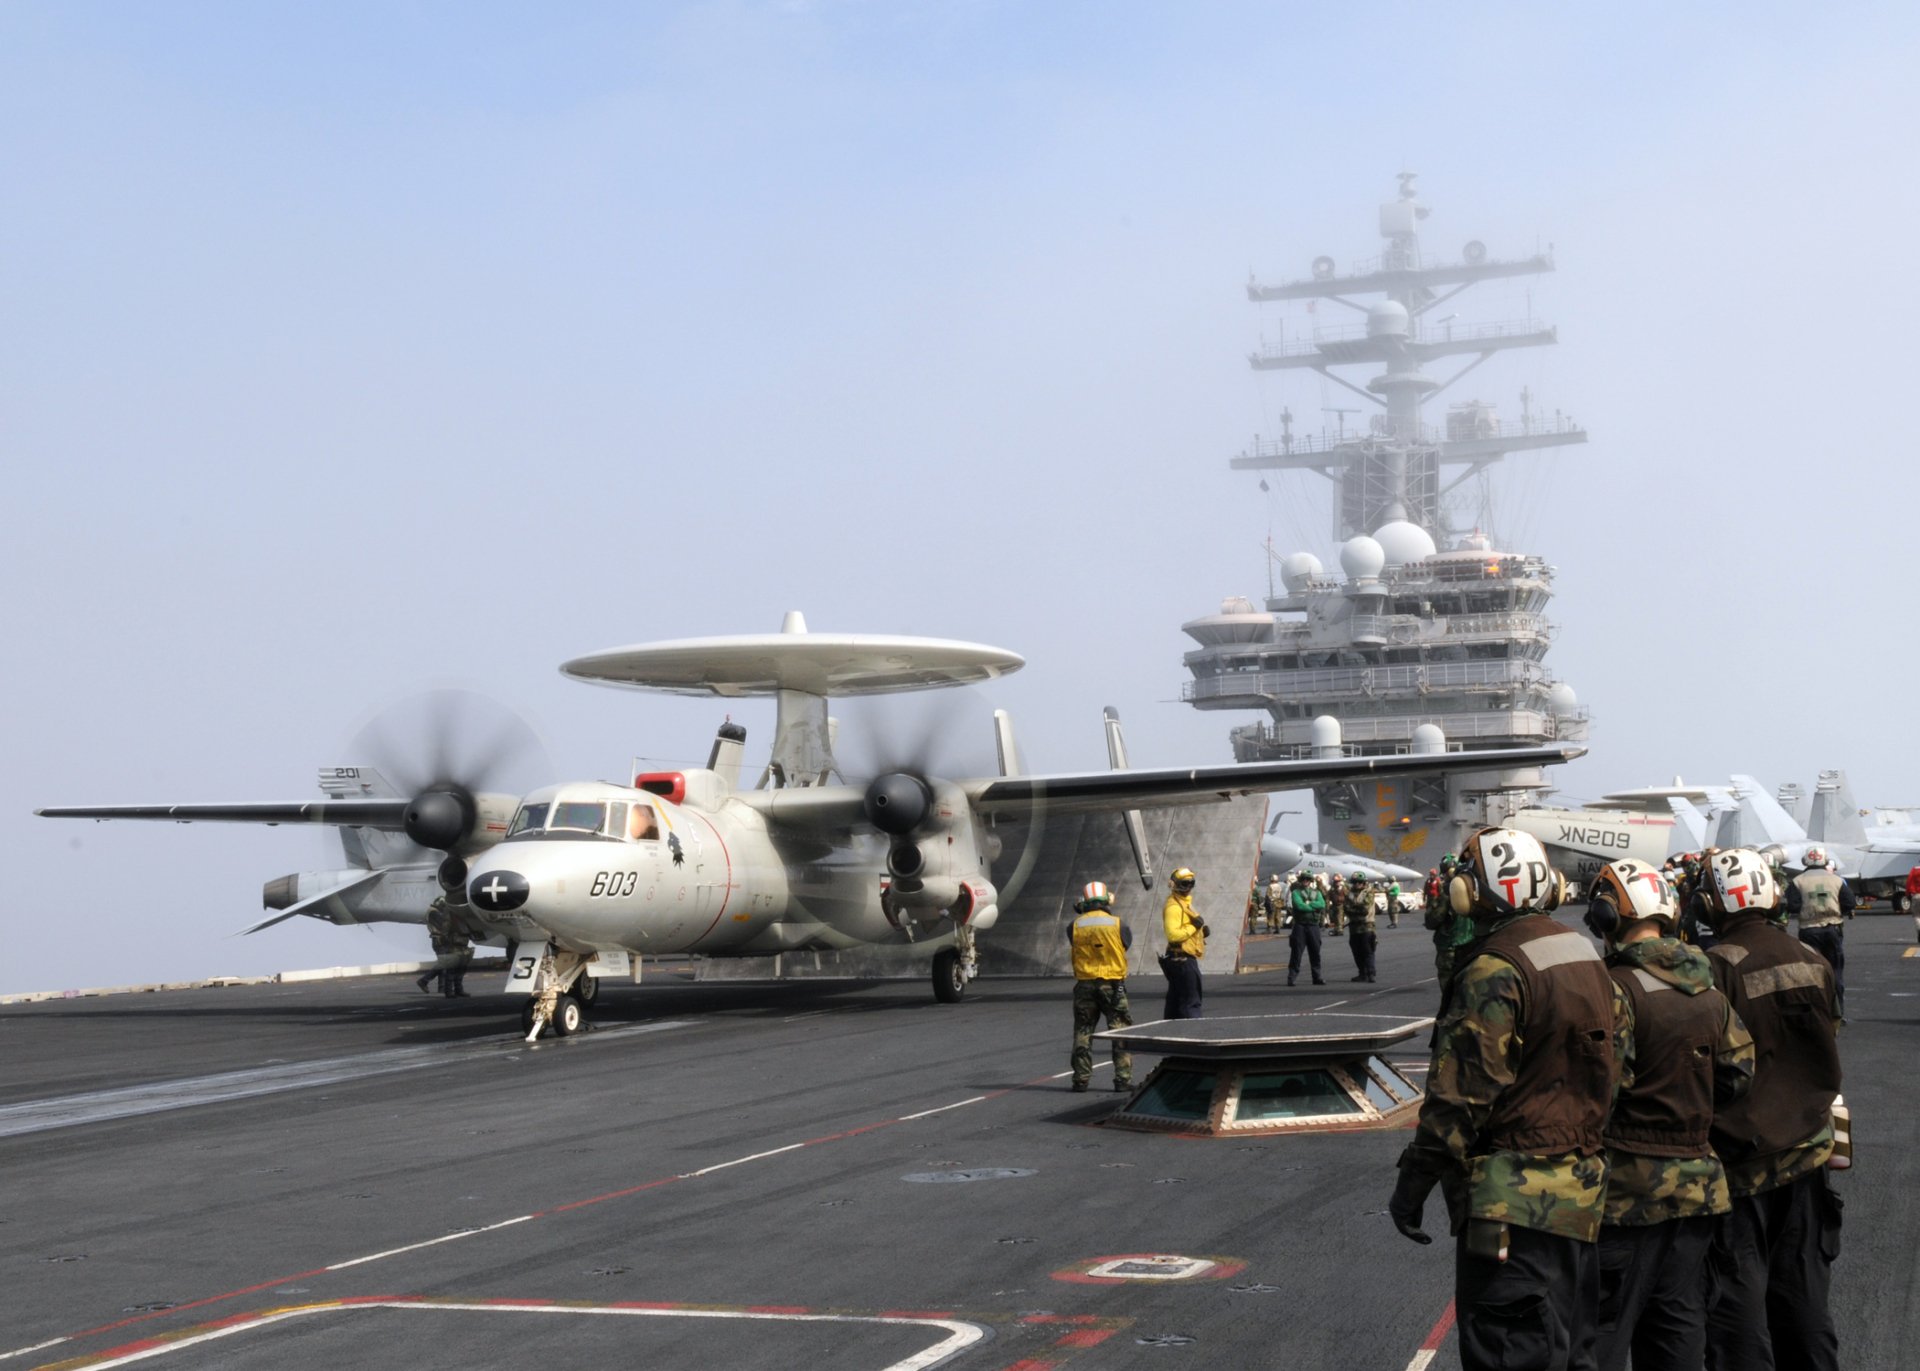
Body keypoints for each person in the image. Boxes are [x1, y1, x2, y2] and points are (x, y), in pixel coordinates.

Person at [1387, 826, 1626, 1371]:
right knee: (1573, 1351)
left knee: (1508, 1351)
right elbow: (1618, 1063)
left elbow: (1460, 1098)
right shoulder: (1585, 954)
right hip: (1582, 1196)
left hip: (1512, 1205)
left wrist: (1413, 1183)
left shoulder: (1494, 968)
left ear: (1472, 892)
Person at [1583, 859, 1755, 1371]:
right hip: (1698, 1192)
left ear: (1609, 916)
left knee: (1602, 1336)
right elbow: (1738, 1075)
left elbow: (1599, 1088)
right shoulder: (1708, 990)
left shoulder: (1614, 989)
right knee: (1678, 1332)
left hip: (1625, 1194)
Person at [1697, 847, 1845, 1371]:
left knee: (1736, 1312)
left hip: (1740, 1170)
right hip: (1807, 1158)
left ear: (1711, 903)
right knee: (1804, 1301)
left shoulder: (1714, 967)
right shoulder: (1813, 959)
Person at [1067, 881, 1134, 1093]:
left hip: (1085, 985)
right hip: (1113, 985)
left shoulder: (1074, 926)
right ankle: (1122, 1080)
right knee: (1120, 1030)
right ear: (1107, 900)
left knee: (1083, 1031)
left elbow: (1073, 943)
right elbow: (1126, 944)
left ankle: (1081, 1080)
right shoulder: (1118, 924)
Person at [1786, 846, 1855, 1022]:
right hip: (1833, 929)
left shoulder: (1798, 881)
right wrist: (1836, 911)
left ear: (1805, 861)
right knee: (1835, 971)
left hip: (1808, 930)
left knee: (1811, 971)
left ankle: (1816, 1012)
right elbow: (1850, 903)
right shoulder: (1836, 880)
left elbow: (1792, 906)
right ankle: (1838, 1013)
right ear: (1825, 860)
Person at [1159, 867, 1207, 1019]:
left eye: (1191, 883)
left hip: (1179, 958)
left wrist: (1201, 932)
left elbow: (1186, 928)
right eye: (1184, 884)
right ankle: (1192, 1030)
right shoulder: (1174, 907)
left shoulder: (1184, 903)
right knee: (1191, 1001)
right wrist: (1194, 927)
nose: (1188, 888)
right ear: (1174, 885)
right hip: (1182, 960)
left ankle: (1171, 1030)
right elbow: (1173, 935)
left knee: (1175, 1002)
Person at [420, 896, 474, 998]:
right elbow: (444, 929)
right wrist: (448, 942)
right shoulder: (441, 913)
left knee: (459, 968)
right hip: (451, 943)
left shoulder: (457, 914)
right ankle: (446, 990)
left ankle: (455, 989)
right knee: (449, 967)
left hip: (461, 942)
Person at [1286, 870, 1328, 986]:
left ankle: (1317, 977)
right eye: (1303, 879)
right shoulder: (1296, 892)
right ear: (1301, 880)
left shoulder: (1317, 892)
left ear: (1310, 881)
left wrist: (1308, 905)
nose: (1305, 881)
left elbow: (1322, 904)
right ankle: (1292, 977)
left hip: (1313, 926)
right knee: (1296, 952)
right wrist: (1313, 907)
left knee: (1315, 952)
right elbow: (1299, 906)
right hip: (1300, 925)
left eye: (1308, 879)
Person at [1343, 873, 1378, 983]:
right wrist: (1356, 909)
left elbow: (1365, 909)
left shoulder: (1368, 893)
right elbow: (1346, 908)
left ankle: (1371, 973)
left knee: (1367, 950)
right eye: (1355, 882)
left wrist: (1353, 908)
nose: (1357, 884)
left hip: (1367, 926)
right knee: (1356, 951)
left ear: (1363, 883)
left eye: (1360, 882)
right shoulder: (1349, 893)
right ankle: (1362, 973)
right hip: (1354, 927)